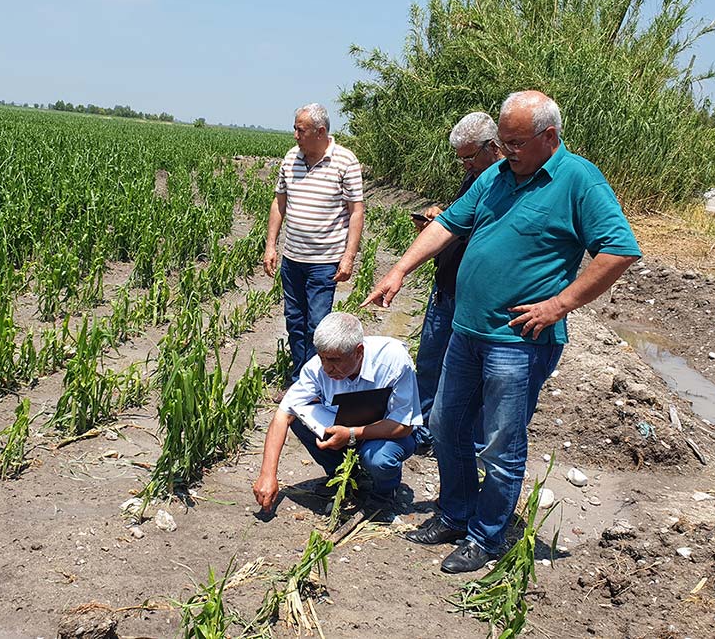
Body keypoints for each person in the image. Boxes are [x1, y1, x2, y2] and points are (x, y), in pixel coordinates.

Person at [362, 91, 642, 573]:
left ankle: (486, 537)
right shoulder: (494, 176)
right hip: (466, 331)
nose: (505, 149)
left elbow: (619, 250)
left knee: (501, 442)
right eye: (502, 140)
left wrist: (559, 304)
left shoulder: (579, 181)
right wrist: (399, 269)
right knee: (447, 425)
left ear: (549, 136)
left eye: (514, 142)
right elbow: (448, 224)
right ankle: (454, 513)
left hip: (517, 342)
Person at [252, 312, 421, 514]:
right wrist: (268, 474)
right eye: (322, 358)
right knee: (298, 417)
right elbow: (282, 415)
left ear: (359, 351)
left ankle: (384, 493)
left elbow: (404, 425)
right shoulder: (316, 368)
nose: (327, 368)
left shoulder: (393, 360)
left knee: (379, 459)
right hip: (343, 425)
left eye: (334, 360)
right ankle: (347, 478)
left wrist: (352, 434)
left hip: (386, 433)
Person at [412, 112, 505, 447]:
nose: (464, 164)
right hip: (446, 289)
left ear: (493, 146)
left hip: (474, 298)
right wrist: (440, 221)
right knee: (430, 364)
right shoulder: (475, 177)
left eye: (469, 156)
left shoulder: (506, 182)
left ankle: (470, 443)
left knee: (473, 375)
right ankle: (424, 431)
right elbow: (460, 223)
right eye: (460, 158)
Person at [263, 104, 364, 393]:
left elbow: (356, 211)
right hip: (292, 258)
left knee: (317, 326)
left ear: (320, 132)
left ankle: (316, 384)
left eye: (300, 129)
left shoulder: (345, 161)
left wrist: (348, 257)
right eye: (295, 128)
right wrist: (271, 246)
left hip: (324, 262)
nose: (295, 135)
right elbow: (279, 203)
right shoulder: (290, 159)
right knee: (294, 322)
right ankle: (300, 378)